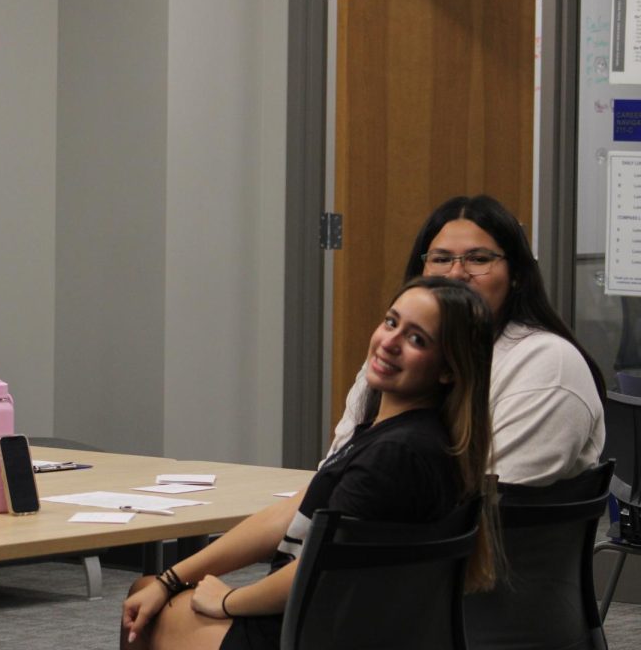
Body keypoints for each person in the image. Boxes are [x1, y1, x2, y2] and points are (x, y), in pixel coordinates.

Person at [121, 277, 497, 650]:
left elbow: (317, 571)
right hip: (357, 630)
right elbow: (286, 514)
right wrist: (170, 579)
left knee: (142, 603)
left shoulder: (396, 455)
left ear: (449, 369)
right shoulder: (419, 438)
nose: (390, 342)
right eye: (390, 322)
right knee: (151, 590)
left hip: (305, 634)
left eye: (417, 339)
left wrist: (226, 600)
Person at [329, 194, 605, 485]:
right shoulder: (398, 350)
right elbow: (336, 465)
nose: (456, 274)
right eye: (441, 259)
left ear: (517, 275)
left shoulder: (546, 360)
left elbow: (489, 500)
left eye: (478, 259)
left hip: (451, 528)